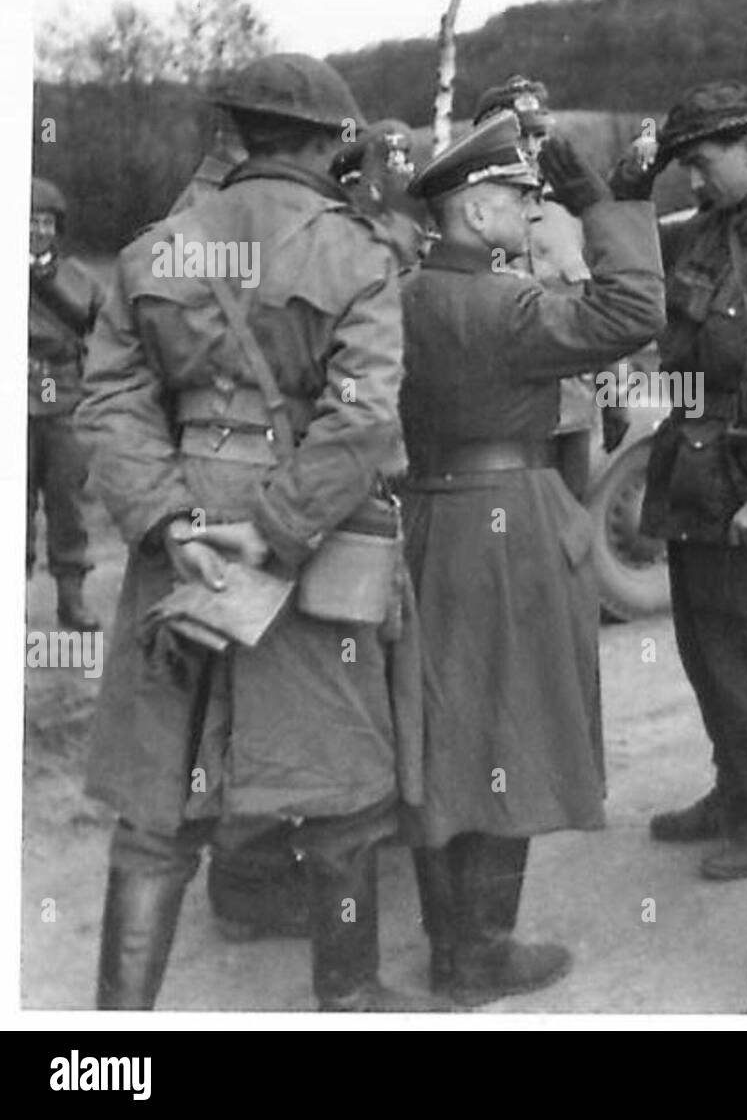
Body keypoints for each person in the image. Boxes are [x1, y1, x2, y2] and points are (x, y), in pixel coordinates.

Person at [79, 53, 424, 1012]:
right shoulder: (357, 254)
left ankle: (113, 1039)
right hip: (313, 533)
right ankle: (349, 996)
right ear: (326, 143)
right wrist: (273, 529)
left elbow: (110, 402)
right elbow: (361, 418)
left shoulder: (158, 249)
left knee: (159, 795)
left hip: (183, 528)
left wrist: (168, 520)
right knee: (339, 779)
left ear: (235, 131)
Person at [400, 111, 664, 1005]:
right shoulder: (506, 306)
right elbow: (635, 310)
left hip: (428, 516)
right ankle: (481, 954)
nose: (530, 208)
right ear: (475, 212)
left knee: (443, 736)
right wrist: (605, 207)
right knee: (510, 728)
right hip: (505, 522)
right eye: (518, 196)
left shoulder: (406, 294)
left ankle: (449, 946)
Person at [635, 80, 747, 881]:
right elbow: (634, 270)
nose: (694, 180)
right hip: (696, 468)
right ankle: (735, 786)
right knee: (704, 647)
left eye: (702, 163)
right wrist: (625, 187)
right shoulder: (708, 230)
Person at [472, 76, 617, 497]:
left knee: (568, 522)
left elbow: (600, 305)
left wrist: (615, 393)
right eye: (521, 137)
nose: (533, 148)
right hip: (498, 419)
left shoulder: (570, 212)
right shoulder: (467, 216)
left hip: (572, 413)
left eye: (540, 136)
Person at [28, 176, 105, 630]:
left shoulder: (80, 280)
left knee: (67, 504)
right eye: (29, 221)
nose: (38, 231)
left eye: (46, 222)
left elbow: (109, 334)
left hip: (64, 400)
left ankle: (71, 600)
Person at [331, 117, 428, 269]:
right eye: (393, 163)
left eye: (404, 160)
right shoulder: (341, 227)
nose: (408, 170)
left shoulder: (409, 227)